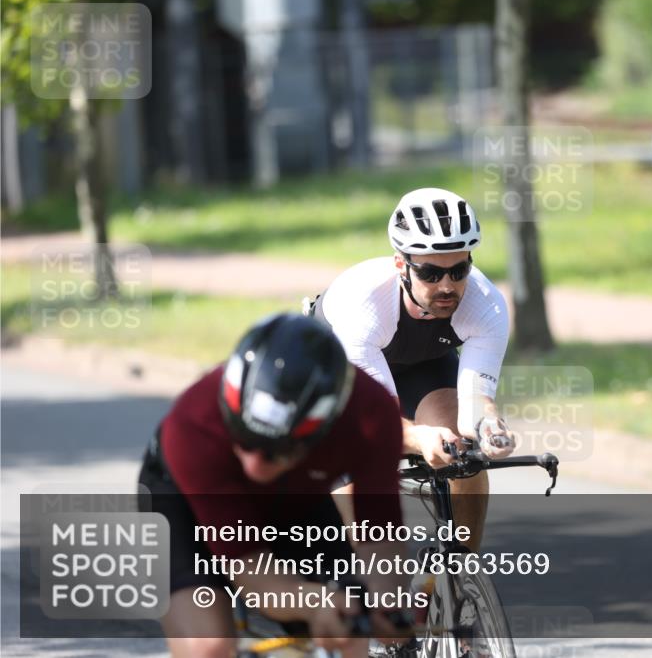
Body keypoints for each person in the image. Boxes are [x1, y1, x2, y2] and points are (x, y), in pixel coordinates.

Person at [138, 314, 408, 658]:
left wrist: (385, 603)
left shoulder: (371, 414)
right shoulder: (193, 424)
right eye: (243, 441)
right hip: (185, 499)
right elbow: (250, 569)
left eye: (275, 451)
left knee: (351, 626)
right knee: (208, 647)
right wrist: (315, 604)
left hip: (295, 495)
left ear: (324, 426)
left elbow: (379, 530)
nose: (253, 465)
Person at [308, 187, 515, 551]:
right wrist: (421, 438)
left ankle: (459, 574)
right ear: (402, 265)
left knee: (465, 456)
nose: (447, 286)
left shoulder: (486, 306)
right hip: (338, 369)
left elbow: (475, 399)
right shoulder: (364, 307)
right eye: (431, 273)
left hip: (421, 363)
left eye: (459, 270)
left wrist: (489, 427)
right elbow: (378, 423)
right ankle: (368, 591)